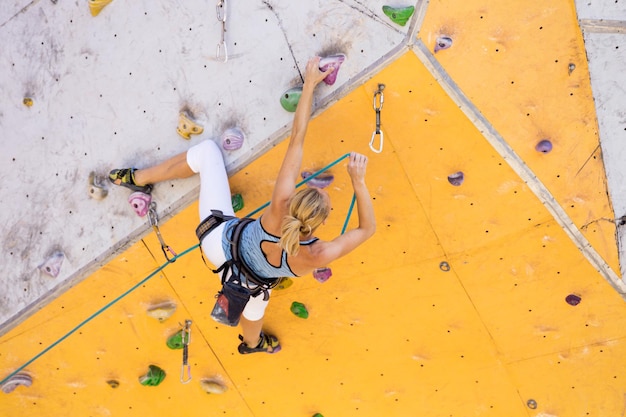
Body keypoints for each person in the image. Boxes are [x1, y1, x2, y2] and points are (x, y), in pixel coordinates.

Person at [108, 57, 376, 354]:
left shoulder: (280, 204)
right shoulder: (317, 254)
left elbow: (297, 139)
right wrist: (360, 185)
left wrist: (310, 84)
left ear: (296, 200)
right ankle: (252, 345)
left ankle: (138, 177)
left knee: (208, 153)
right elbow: (367, 229)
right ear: (320, 225)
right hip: (243, 278)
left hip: (221, 244)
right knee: (254, 308)